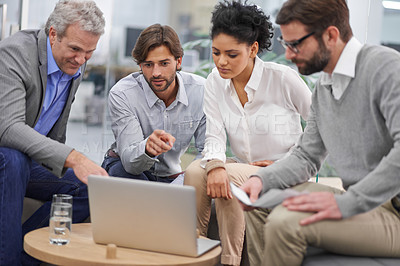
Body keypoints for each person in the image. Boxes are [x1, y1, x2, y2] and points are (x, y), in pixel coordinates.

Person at [240, 0, 400, 265]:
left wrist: (347, 204)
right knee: (262, 201)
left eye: (296, 44)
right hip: (363, 202)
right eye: (285, 44)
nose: (289, 55)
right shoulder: (325, 85)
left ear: (331, 35)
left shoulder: (384, 68)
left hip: (393, 212)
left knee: (287, 223)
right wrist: (262, 180)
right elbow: (306, 156)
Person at [183, 1, 312, 265]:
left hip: (285, 171)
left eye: (231, 54)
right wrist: (216, 164)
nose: (221, 61)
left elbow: (322, 127)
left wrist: (288, 164)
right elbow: (214, 134)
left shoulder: (283, 79)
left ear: (253, 49)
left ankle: (230, 261)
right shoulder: (214, 82)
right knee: (196, 170)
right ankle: (192, 252)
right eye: (216, 52)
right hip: (245, 167)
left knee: (228, 177)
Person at [0, 0, 108, 264]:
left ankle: (25, 254)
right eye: (75, 49)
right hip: (6, 156)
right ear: (53, 34)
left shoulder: (73, 65)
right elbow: (9, 128)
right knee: (14, 160)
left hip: (28, 161)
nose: (81, 60)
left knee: (89, 188)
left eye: (89, 52)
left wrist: (77, 165)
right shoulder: (13, 54)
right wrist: (75, 157)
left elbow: (54, 137)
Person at [101, 24, 206, 185]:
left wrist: (180, 184)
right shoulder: (122, 93)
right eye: (148, 65)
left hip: (171, 175)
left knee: (206, 182)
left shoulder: (201, 91)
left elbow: (207, 152)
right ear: (140, 65)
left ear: (178, 61)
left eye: (164, 63)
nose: (156, 73)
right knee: (125, 177)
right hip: (127, 169)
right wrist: (147, 149)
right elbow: (130, 163)